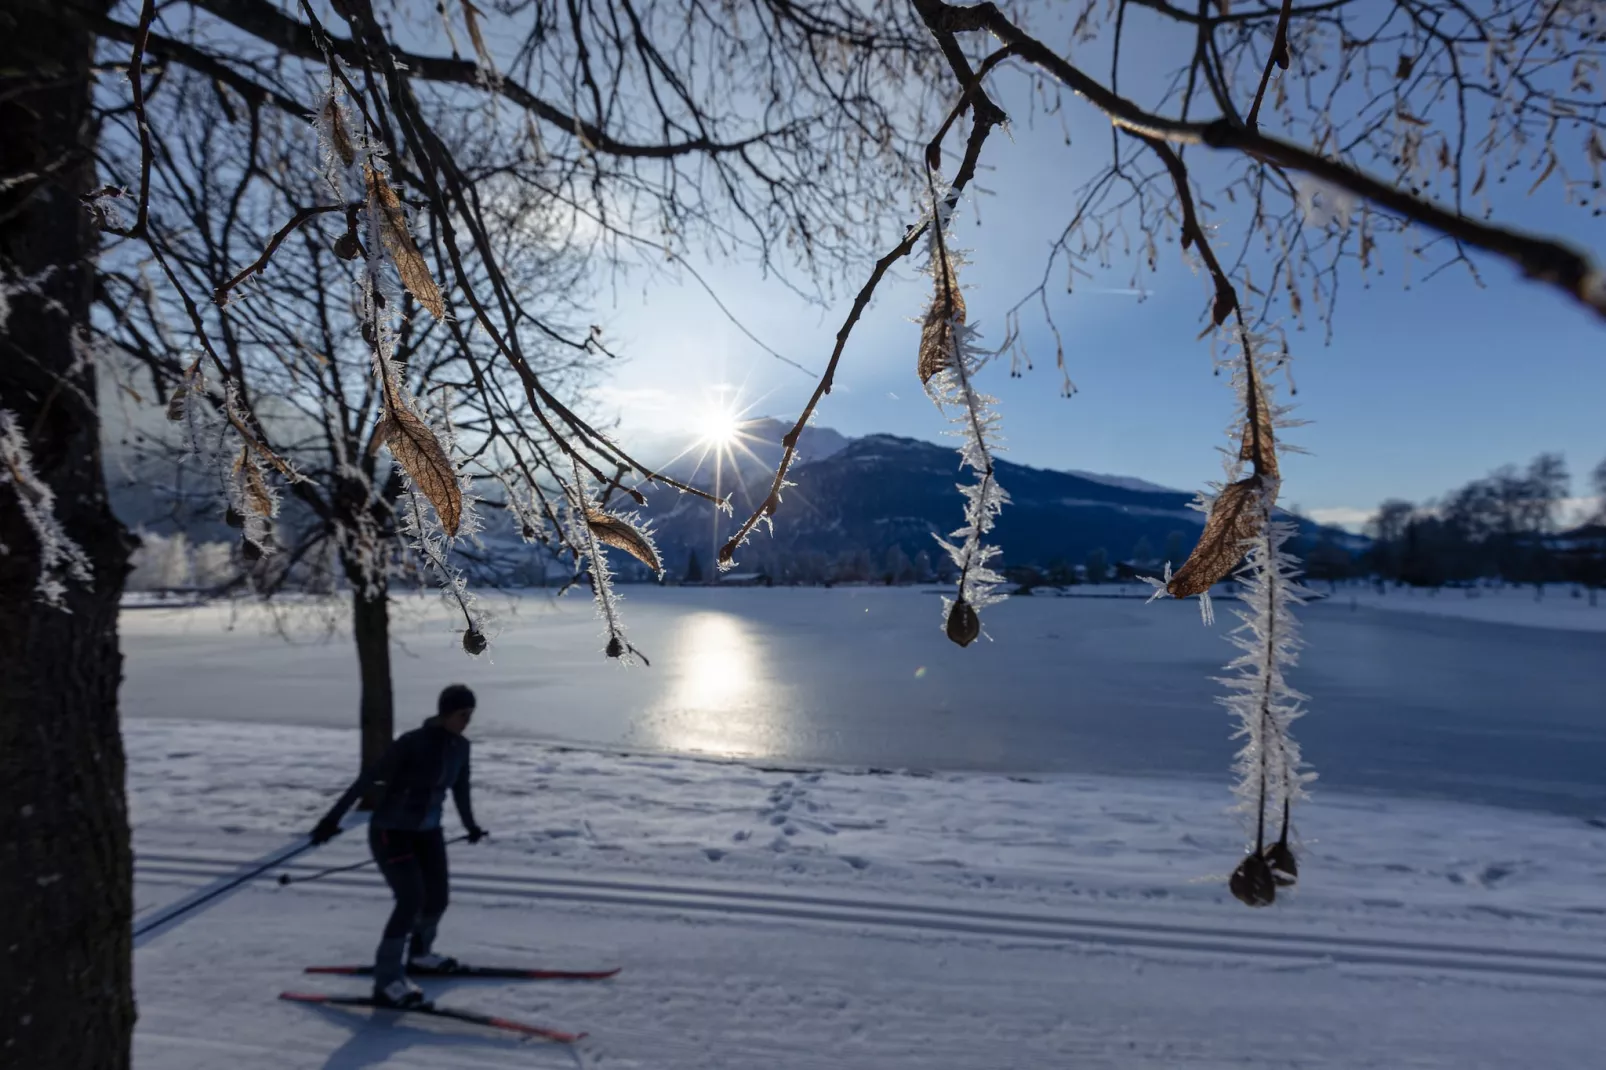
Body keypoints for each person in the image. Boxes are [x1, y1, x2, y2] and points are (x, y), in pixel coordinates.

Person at [309, 683, 488, 1007]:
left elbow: (461, 789)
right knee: (410, 899)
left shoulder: (461, 747)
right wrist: (331, 820)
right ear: (446, 713)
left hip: (428, 831)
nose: (468, 720)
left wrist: (471, 825)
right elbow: (368, 779)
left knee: (437, 897)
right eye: (463, 714)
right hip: (391, 831)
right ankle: (387, 980)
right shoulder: (412, 744)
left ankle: (419, 955)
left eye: (470, 714)